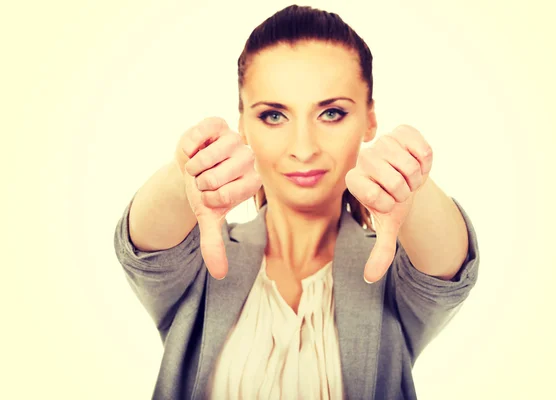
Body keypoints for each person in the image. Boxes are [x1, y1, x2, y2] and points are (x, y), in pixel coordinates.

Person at [113, 4, 480, 400]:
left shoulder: (390, 274)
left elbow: (449, 270)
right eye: (273, 115)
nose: (303, 149)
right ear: (243, 126)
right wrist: (186, 174)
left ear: (370, 119)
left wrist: (412, 185)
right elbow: (142, 246)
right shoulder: (201, 265)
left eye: (332, 113)